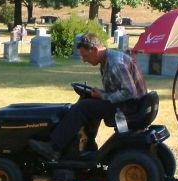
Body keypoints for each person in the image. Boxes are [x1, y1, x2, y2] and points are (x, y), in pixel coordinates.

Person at [28, 33, 148, 161]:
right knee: (90, 102)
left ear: (95, 49)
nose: (84, 60)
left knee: (83, 107)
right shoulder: (108, 60)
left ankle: (54, 148)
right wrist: (100, 95)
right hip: (128, 104)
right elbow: (119, 89)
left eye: (86, 56)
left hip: (129, 107)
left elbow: (129, 92)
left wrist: (102, 95)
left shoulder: (115, 63)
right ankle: (89, 145)